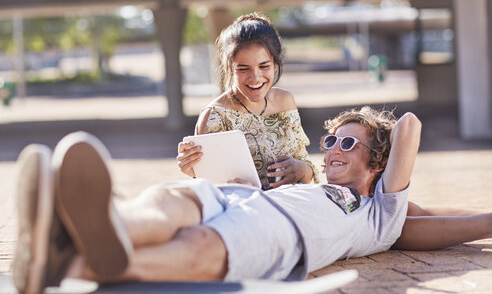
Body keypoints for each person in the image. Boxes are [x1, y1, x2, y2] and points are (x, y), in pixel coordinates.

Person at [13, 106, 418, 293]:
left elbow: (408, 126)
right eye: (331, 140)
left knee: (200, 246)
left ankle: (69, 261)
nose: (332, 150)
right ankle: (104, 221)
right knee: (168, 204)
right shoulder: (309, 185)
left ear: (378, 161)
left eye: (349, 143)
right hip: (241, 196)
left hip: (281, 232)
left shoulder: (377, 216)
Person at [176, 12, 319, 190]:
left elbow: (305, 165)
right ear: (228, 68)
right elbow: (212, 188)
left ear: (275, 65)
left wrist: (303, 170)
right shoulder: (215, 115)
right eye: (243, 68)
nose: (255, 77)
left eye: (264, 66)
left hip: (292, 207)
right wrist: (195, 171)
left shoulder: (286, 101)